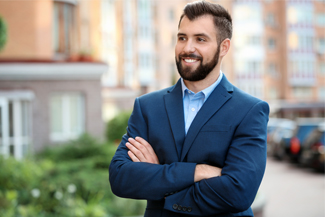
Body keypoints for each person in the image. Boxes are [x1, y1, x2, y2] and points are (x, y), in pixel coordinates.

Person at [109, 1, 269, 217]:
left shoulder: (249, 110)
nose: (187, 48)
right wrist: (198, 171)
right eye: (182, 37)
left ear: (224, 47)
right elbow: (121, 178)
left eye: (200, 39)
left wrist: (159, 179)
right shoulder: (147, 107)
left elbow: (239, 192)